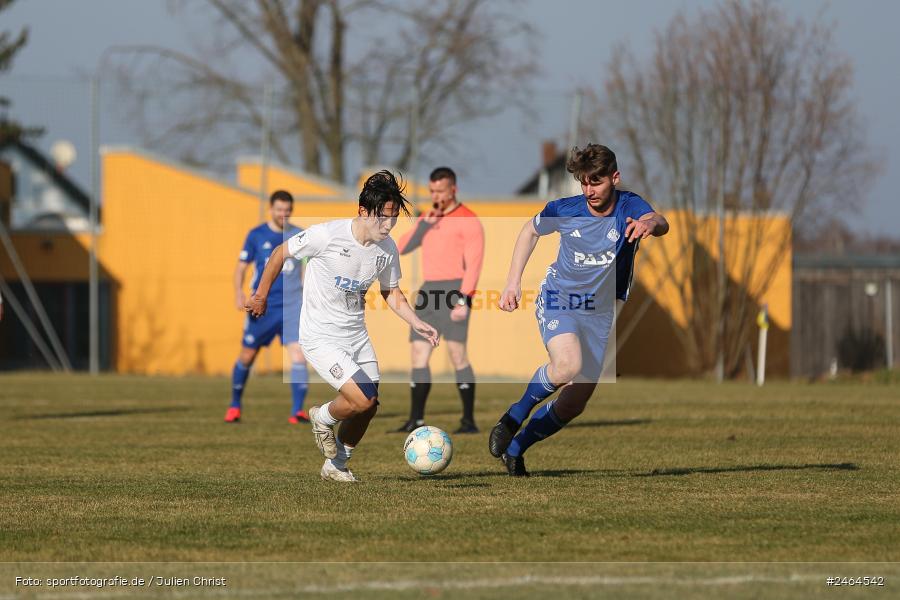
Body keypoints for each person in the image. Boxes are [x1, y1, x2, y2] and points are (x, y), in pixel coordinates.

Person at [246, 170, 439, 482]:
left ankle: (336, 466)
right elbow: (281, 252)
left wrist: (417, 321)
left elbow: (391, 291)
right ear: (363, 211)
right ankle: (321, 417)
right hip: (320, 336)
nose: (388, 225)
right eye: (382, 218)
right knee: (362, 398)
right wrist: (260, 295)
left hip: (356, 336)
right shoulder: (327, 235)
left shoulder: (387, 249)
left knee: (369, 405)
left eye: (393, 219)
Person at [488, 144, 669, 476]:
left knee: (574, 403)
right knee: (567, 365)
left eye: (596, 182)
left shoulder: (629, 205)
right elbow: (530, 230)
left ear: (614, 177)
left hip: (599, 313)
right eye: (584, 182)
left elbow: (658, 221)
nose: (589, 190)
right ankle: (513, 416)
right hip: (560, 299)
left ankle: (516, 448)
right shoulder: (567, 208)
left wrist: (650, 224)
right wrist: (512, 282)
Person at [394, 167, 485, 434]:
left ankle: (468, 421)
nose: (435, 195)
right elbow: (400, 247)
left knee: (457, 354)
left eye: (440, 191)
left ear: (453, 189)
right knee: (418, 354)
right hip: (428, 291)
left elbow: (475, 264)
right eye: (431, 191)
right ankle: (416, 420)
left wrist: (464, 300)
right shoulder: (427, 216)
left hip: (455, 290)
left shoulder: (469, 220)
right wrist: (424, 224)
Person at [226, 190, 309, 424]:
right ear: (271, 209)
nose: (283, 214)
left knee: (299, 355)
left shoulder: (299, 235)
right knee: (247, 355)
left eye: (287, 210)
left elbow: (306, 269)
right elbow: (241, 268)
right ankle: (234, 405)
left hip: (292, 305)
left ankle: (297, 411)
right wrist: (239, 293)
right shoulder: (256, 235)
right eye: (279, 209)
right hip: (262, 306)